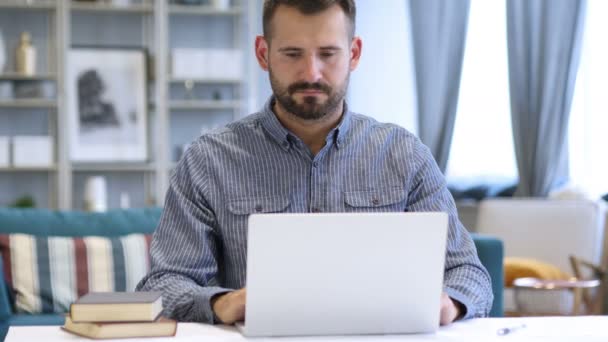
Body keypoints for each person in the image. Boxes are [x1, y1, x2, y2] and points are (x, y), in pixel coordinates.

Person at [136, 0, 493, 326]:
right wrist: (221, 302)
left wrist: (450, 304)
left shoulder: (405, 155)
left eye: (328, 53)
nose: (312, 73)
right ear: (263, 53)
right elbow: (163, 285)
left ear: (354, 53)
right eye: (292, 54)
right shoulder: (208, 160)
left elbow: (469, 274)